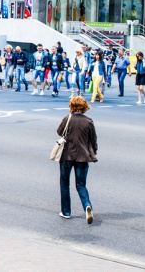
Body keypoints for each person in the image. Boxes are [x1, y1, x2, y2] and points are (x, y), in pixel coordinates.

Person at [57, 95, 98, 225]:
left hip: (67, 155)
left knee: (64, 183)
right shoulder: (89, 121)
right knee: (81, 185)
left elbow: (59, 132)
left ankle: (66, 212)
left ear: (72, 106)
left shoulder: (67, 118)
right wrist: (94, 151)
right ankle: (87, 205)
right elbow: (93, 140)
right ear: (84, 107)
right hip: (83, 157)